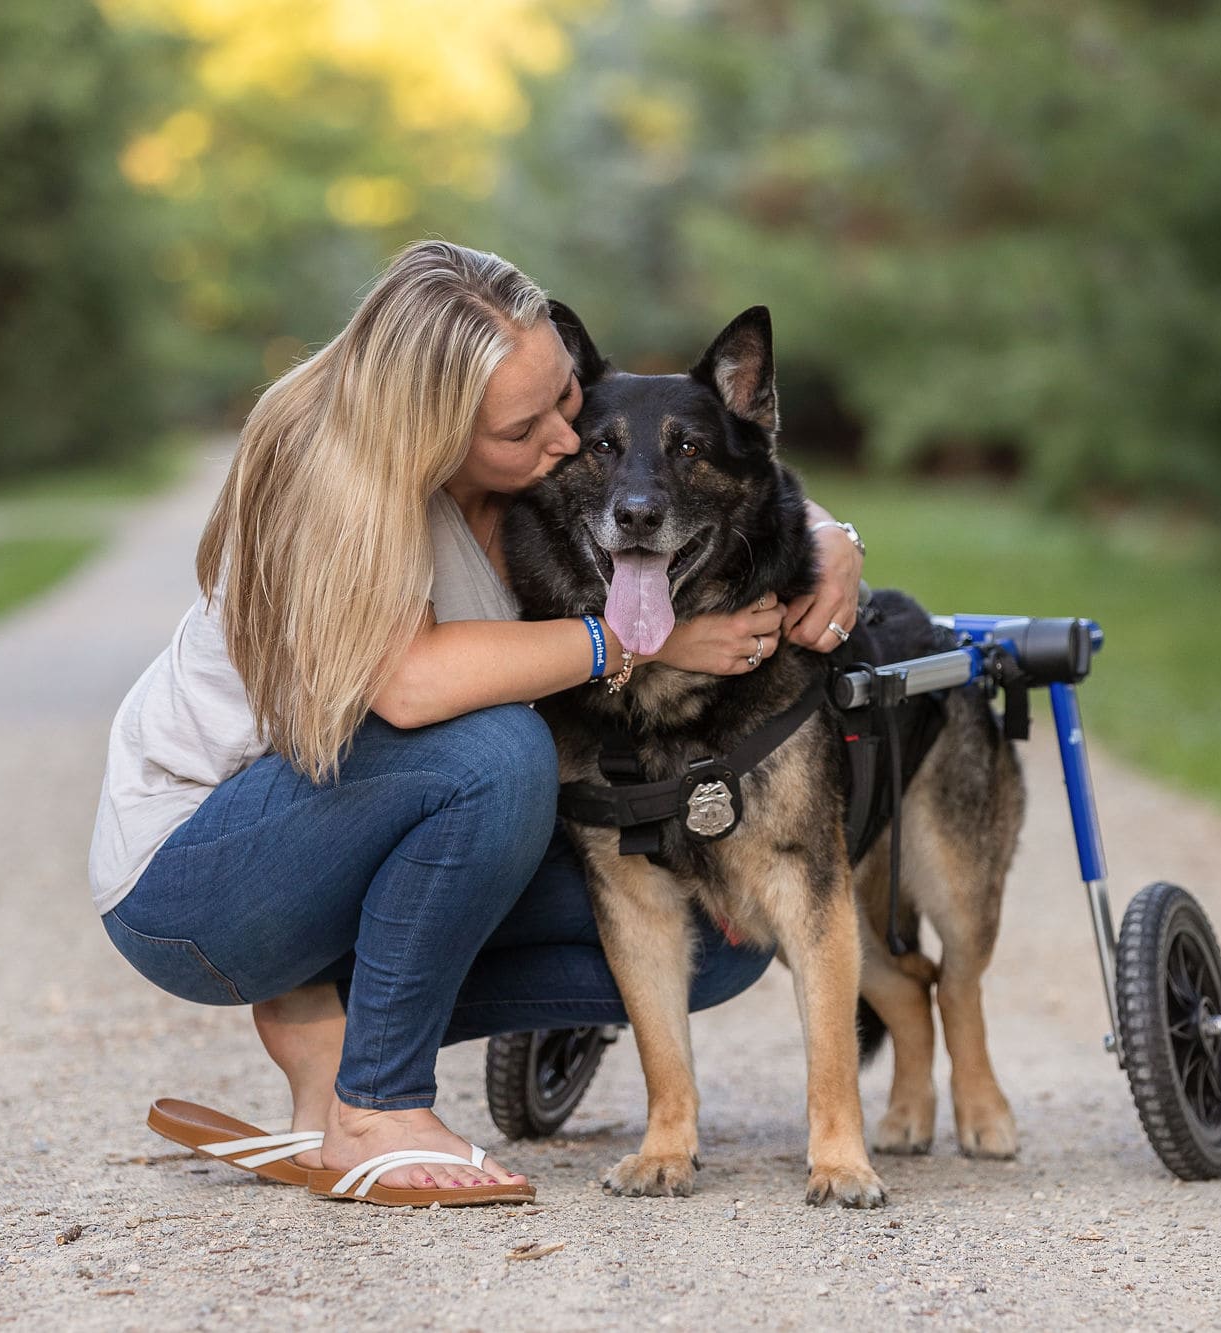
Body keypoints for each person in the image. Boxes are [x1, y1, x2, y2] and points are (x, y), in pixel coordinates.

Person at [87, 240, 865, 1205]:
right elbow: (408, 689)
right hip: (200, 882)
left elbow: (690, 446)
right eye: (526, 426)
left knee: (703, 933)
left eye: (565, 404)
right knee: (496, 755)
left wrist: (831, 536)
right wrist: (643, 647)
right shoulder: (324, 477)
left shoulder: (525, 461)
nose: (565, 441)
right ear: (435, 426)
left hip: (342, 838)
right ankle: (376, 1103)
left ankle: (325, 1038)